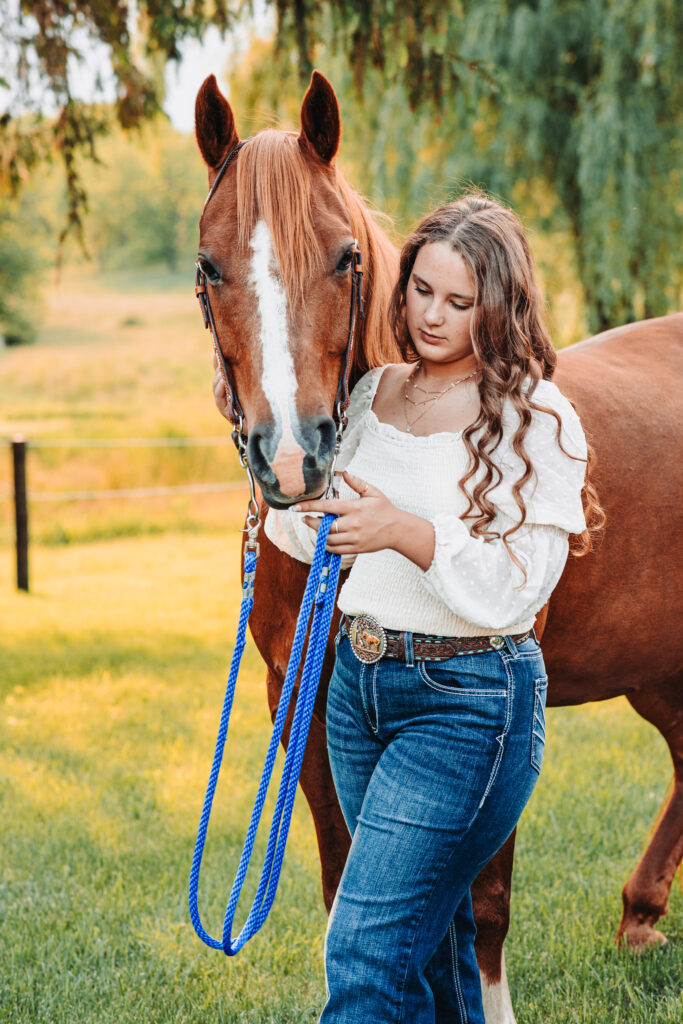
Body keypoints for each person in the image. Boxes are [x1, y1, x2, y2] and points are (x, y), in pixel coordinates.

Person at [213, 195, 600, 1023]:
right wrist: (274, 468)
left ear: (498, 307)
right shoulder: (375, 393)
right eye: (422, 290)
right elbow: (298, 529)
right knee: (431, 944)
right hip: (360, 692)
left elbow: (519, 589)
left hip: (467, 704)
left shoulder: (535, 419)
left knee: (363, 949)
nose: (432, 316)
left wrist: (406, 531)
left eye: (459, 303)